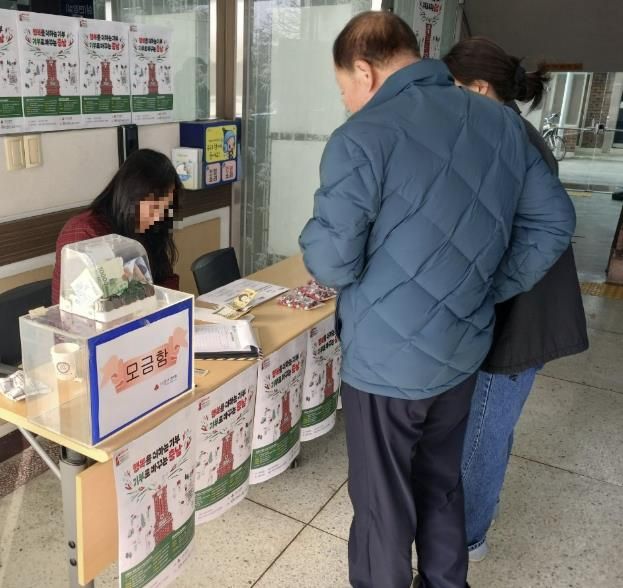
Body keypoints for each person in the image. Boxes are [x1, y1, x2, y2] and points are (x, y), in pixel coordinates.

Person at [299, 12, 576, 588]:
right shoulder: (500, 123)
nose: (346, 100)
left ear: (363, 71)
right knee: (442, 482)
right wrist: (490, 285)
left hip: (385, 364)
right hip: (462, 351)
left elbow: (331, 263)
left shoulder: (363, 136)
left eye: (343, 87)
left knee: (382, 502)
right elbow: (554, 222)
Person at [442, 37, 588, 563]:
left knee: (483, 430)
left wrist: (493, 288)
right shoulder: (506, 132)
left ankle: (466, 539)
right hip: (518, 309)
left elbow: (549, 228)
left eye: (451, 89)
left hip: (522, 316)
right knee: (491, 426)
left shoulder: (506, 139)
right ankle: (480, 513)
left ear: (480, 89)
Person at [52, 149, 180, 304]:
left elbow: (166, 282)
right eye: (154, 207)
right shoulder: (84, 232)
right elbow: (85, 306)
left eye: (165, 207)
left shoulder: (151, 226)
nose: (159, 216)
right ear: (131, 197)